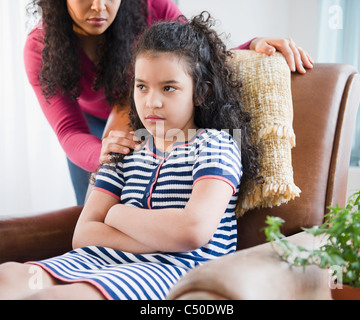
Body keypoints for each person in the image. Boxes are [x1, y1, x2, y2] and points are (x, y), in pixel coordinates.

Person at [0, 12, 260, 300]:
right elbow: (83, 234)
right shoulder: (125, 149)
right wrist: (157, 237)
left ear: (200, 92)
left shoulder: (215, 145)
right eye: (142, 87)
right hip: (97, 261)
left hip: (166, 269)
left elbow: (192, 231)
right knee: (9, 276)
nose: (152, 101)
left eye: (169, 88)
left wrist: (116, 213)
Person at [25, 0, 313, 205]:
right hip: (89, 125)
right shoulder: (40, 48)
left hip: (146, 110)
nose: (99, 6)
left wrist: (251, 45)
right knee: (90, 203)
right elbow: (69, 131)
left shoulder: (152, 6)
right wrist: (99, 153)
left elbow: (195, 53)